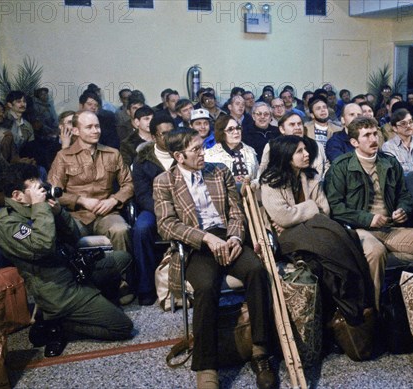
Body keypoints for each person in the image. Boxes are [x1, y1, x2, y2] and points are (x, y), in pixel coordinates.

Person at [153, 128, 276, 389]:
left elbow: (236, 212)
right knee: (206, 287)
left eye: (202, 147)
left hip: (227, 237)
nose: (203, 153)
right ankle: (206, 365)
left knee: (256, 270)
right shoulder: (164, 181)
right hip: (195, 244)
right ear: (179, 156)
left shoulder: (219, 171)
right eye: (196, 149)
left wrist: (233, 238)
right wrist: (206, 239)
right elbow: (166, 225)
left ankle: (260, 350)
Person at [0, 163, 133, 357]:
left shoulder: (39, 208)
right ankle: (62, 324)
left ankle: (94, 303)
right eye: (35, 190)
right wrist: (40, 207)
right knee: (122, 327)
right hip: (57, 289)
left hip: (73, 269)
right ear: (17, 195)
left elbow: (75, 236)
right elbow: (42, 246)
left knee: (123, 259)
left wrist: (58, 212)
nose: (42, 192)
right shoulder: (8, 224)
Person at [324, 116, 413, 308]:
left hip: (391, 228)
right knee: (376, 252)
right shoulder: (341, 167)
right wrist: (368, 219)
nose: (373, 139)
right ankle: (373, 312)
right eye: (366, 135)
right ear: (354, 142)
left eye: (375, 133)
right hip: (359, 230)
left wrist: (402, 210)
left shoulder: (389, 163)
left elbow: (404, 196)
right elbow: (336, 207)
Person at [260, 135, 374, 323]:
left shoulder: (310, 176)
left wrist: (299, 213)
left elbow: (325, 210)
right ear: (286, 155)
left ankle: (348, 308)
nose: (306, 154)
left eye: (305, 150)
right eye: (299, 151)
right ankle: (351, 307)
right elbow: (284, 217)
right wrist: (310, 207)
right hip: (288, 237)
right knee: (330, 249)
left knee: (343, 242)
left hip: (314, 229)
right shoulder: (271, 181)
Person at [48, 110, 134, 254]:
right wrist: (80, 200)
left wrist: (113, 200)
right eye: (89, 127)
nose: (95, 131)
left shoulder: (113, 154)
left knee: (121, 230)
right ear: (75, 130)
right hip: (75, 216)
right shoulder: (63, 156)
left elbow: (129, 184)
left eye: (97, 126)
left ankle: (123, 276)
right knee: (63, 234)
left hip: (107, 214)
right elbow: (53, 192)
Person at [131, 113, 176, 305]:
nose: (169, 138)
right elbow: (141, 195)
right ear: (154, 136)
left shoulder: (185, 153)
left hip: (184, 206)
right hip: (154, 208)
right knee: (141, 229)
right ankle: (146, 288)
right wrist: (162, 210)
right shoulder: (142, 160)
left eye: (172, 133)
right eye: (164, 134)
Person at [259, 112, 330, 180]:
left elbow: (326, 169)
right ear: (282, 129)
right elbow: (263, 173)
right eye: (292, 125)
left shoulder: (316, 146)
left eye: (299, 124)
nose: (297, 127)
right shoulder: (272, 146)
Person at [204, 114, 259, 188]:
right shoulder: (209, 155)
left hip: (249, 195)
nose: (236, 132)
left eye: (238, 128)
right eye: (230, 129)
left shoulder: (250, 152)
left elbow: (257, 177)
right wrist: (231, 181)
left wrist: (249, 182)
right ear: (222, 133)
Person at [381, 108, 413, 172]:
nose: (408, 126)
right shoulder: (388, 147)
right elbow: (395, 172)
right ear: (395, 128)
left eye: (410, 122)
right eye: (403, 123)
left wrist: (405, 168)